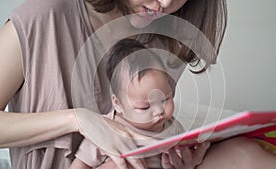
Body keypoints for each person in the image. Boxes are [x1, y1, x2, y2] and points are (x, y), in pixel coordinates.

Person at [0, 0, 276, 168]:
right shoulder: (40, 19)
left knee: (244, 154)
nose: (165, 2)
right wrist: (76, 120)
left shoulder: (165, 29)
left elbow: (155, 127)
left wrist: (182, 156)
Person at [70, 38, 209, 169]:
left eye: (164, 99)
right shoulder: (106, 130)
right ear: (118, 104)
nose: (158, 111)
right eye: (144, 107)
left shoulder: (173, 127)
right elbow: (80, 164)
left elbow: (184, 156)